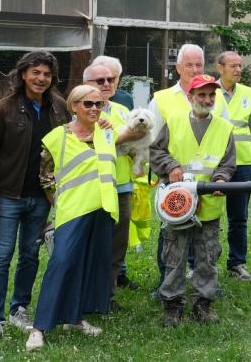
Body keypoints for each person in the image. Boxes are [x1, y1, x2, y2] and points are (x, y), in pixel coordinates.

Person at [26, 84, 120, 351]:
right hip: (73, 211)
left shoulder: (106, 133)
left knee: (89, 264)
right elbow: (45, 175)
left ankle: (74, 318)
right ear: (74, 106)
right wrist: (59, 201)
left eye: (98, 104)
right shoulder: (59, 136)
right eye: (87, 104)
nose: (93, 109)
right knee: (62, 263)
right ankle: (39, 327)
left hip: (102, 209)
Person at [0, 52, 68, 346]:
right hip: (7, 197)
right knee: (0, 257)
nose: (41, 78)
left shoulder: (59, 108)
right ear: (23, 75)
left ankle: (19, 308)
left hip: (41, 197)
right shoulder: (2, 109)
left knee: (30, 256)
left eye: (47, 74)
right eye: (35, 73)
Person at [149, 74, 236, 327]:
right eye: (201, 95)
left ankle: (203, 304)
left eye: (211, 95)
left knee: (207, 257)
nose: (207, 100)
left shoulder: (224, 127)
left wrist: (220, 179)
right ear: (190, 97)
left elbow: (228, 163)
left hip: (209, 207)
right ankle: (172, 305)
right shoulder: (173, 122)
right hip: (177, 205)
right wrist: (171, 165)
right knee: (174, 256)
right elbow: (156, 152)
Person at [82, 60, 147, 312]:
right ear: (87, 83)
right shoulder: (82, 109)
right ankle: (86, 296)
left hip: (121, 187)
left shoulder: (122, 110)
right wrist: (126, 137)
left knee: (116, 248)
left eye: (110, 79)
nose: (107, 84)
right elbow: (90, 140)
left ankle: (106, 298)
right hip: (92, 189)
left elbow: (139, 140)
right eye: (100, 80)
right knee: (91, 246)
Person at [148, 43, 206, 285]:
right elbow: (153, 141)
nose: (194, 69)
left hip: (204, 177)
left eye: (199, 64)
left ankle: (200, 279)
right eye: (189, 65)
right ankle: (167, 281)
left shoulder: (213, 95)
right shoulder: (161, 99)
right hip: (172, 177)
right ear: (178, 67)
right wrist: (170, 167)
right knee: (170, 230)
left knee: (203, 231)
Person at [214, 51, 251, 282]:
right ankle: (199, 263)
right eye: (233, 65)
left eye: (240, 66)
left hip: (242, 161)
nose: (239, 70)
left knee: (239, 216)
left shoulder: (249, 93)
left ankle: (237, 263)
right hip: (213, 162)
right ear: (220, 67)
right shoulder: (207, 91)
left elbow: (250, 127)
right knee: (204, 214)